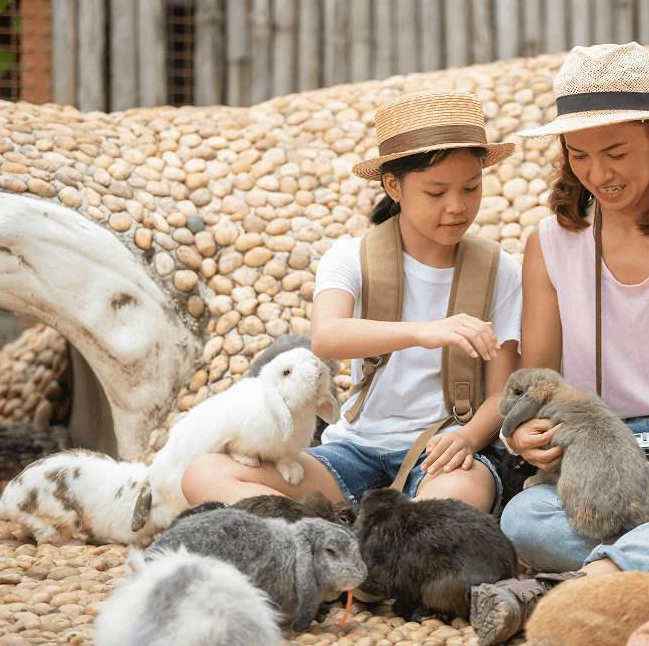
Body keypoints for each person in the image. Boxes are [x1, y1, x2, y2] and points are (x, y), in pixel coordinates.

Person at [469, 43, 649, 645]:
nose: (598, 175)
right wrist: (521, 434)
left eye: (615, 152)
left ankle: (582, 584)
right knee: (525, 518)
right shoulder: (550, 242)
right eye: (578, 155)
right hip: (594, 447)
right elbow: (540, 379)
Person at [181, 90, 522, 515]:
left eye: (471, 187)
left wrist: (468, 439)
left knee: (462, 496)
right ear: (393, 185)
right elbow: (327, 337)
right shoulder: (350, 258)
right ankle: (337, 542)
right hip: (352, 455)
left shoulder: (500, 271)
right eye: (436, 192)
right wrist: (425, 331)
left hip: (443, 455)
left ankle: (340, 537)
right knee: (203, 474)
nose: (457, 206)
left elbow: (502, 394)